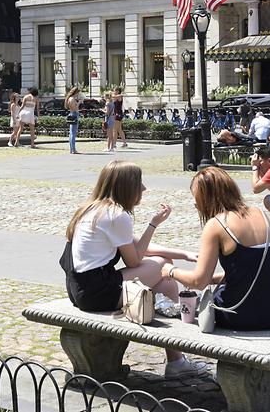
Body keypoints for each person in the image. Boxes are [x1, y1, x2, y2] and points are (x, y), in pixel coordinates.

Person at [61, 161, 206, 378]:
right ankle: (177, 358)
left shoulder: (93, 209)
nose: (144, 188)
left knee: (167, 282)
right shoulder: (117, 215)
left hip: (81, 288)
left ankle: (177, 360)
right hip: (97, 292)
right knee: (161, 266)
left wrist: (183, 254)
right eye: (139, 183)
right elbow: (135, 260)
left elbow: (137, 245)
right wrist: (153, 224)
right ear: (126, 186)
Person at [162, 166, 270, 331]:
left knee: (199, 305)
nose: (196, 205)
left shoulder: (217, 224)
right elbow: (249, 265)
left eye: (196, 200)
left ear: (205, 199)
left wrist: (170, 271)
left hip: (240, 315)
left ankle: (176, 356)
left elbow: (198, 281)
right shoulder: (259, 212)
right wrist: (215, 278)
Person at [66, 86, 81, 154]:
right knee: (73, 133)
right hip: (74, 114)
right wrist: (79, 103)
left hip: (71, 113)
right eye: (78, 93)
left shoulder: (69, 98)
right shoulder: (72, 99)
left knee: (71, 133)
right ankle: (73, 149)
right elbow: (75, 108)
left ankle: (71, 149)